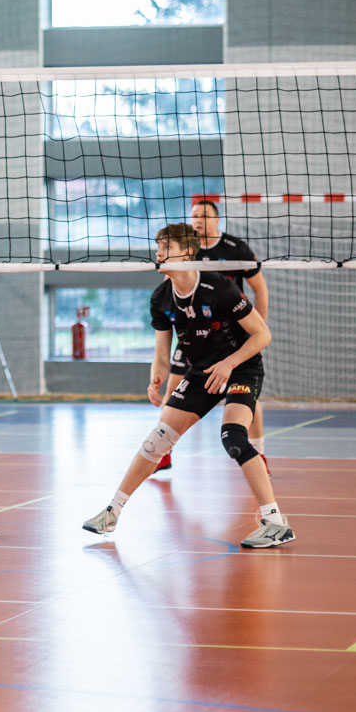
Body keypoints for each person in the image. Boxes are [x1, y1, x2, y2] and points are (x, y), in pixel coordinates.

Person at [81, 223, 292, 549]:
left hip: (240, 366)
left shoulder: (218, 287)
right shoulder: (161, 298)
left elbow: (262, 334)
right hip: (201, 371)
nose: (158, 253)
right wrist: (156, 378)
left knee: (233, 437)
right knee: (157, 441)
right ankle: (112, 512)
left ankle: (276, 522)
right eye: (158, 246)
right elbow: (162, 356)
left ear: (188, 253)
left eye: (166, 247)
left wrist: (229, 363)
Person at [154, 199, 270, 474]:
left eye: (204, 215)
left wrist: (257, 329)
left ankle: (259, 453)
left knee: (246, 396)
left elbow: (260, 290)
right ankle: (162, 451)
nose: (198, 220)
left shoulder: (234, 248)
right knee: (174, 387)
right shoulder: (179, 250)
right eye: (194, 215)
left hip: (228, 331)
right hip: (192, 330)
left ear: (216, 220)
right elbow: (171, 287)